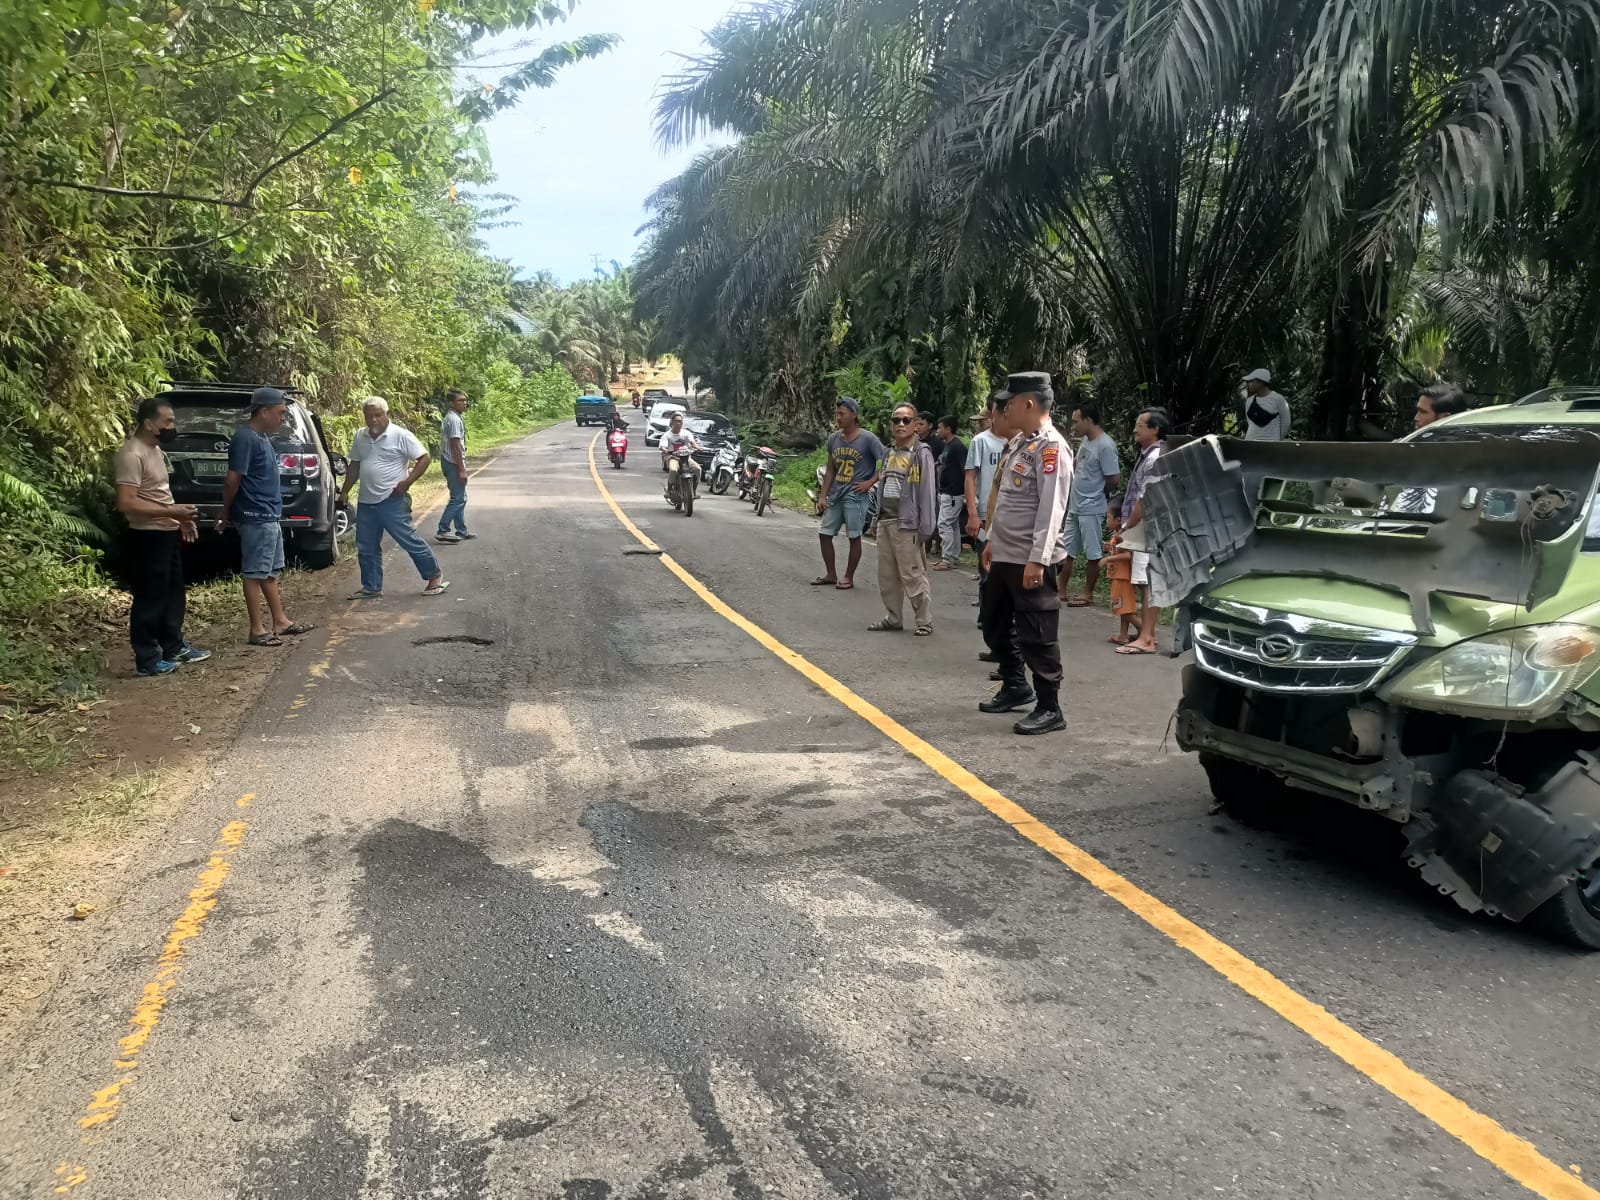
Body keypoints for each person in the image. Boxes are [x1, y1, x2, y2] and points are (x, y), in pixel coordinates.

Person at [979, 372, 1072, 735]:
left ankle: (1050, 707)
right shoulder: (1020, 442)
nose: (1005, 409)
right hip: (1005, 555)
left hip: (1029, 560)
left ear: (1029, 404)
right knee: (995, 623)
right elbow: (1006, 499)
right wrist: (991, 541)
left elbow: (1051, 509)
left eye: (1010, 403)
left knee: (1037, 634)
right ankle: (1015, 684)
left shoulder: (1051, 448)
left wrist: (1038, 559)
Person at [114, 397, 209, 676]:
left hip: (166, 533)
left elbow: (158, 494)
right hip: (147, 536)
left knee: (172, 594)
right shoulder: (132, 454)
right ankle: (147, 658)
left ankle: (173, 646)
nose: (172, 426)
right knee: (150, 597)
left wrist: (181, 520)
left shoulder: (155, 450)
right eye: (167, 421)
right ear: (149, 423)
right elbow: (126, 502)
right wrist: (172, 512)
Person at [218, 387, 314, 646]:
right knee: (254, 572)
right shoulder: (245, 438)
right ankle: (257, 629)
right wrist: (225, 512)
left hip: (268, 514)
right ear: (263, 411)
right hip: (256, 515)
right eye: (280, 413)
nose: (282, 418)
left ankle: (280, 621)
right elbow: (232, 480)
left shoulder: (260, 438)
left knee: (269, 571)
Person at [340, 397, 448, 600]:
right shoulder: (360, 436)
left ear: (386, 414)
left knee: (408, 540)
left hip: (392, 500)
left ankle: (434, 577)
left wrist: (407, 483)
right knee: (366, 546)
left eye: (378, 415)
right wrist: (345, 490)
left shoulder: (400, 435)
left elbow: (424, 458)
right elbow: (355, 465)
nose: (373, 420)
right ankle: (371, 586)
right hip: (366, 501)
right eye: (369, 416)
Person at [869, 403, 939, 634]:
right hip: (886, 521)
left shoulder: (921, 453)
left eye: (906, 420)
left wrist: (926, 528)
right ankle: (893, 617)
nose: (900, 424)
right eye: (896, 420)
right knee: (887, 575)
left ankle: (924, 621)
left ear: (916, 425)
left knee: (912, 574)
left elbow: (927, 492)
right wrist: (875, 519)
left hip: (907, 525)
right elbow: (882, 486)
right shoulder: (888, 452)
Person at [1111, 408, 1170, 656]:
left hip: (1148, 529)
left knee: (1148, 582)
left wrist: (1126, 528)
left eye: (1140, 425)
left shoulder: (1155, 457)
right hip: (1146, 528)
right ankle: (1146, 634)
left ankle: (1147, 638)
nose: (1135, 429)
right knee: (1145, 581)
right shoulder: (1149, 455)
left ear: (1155, 430)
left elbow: (1144, 501)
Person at [812, 398, 884, 590]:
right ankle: (831, 573)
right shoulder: (834, 439)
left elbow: (887, 462)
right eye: (837, 414)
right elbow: (830, 469)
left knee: (854, 536)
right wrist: (823, 495)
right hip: (836, 494)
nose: (838, 417)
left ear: (854, 415)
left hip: (856, 495)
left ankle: (848, 577)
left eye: (842, 414)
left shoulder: (868, 439)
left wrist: (870, 482)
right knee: (824, 534)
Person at [1058, 400, 1121, 606]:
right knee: (1067, 549)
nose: (1073, 426)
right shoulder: (1086, 441)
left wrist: (1097, 493)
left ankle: (1088, 593)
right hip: (1075, 505)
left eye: (1076, 421)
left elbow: (1114, 478)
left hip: (1092, 507)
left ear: (1088, 420)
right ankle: (1061, 589)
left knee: (1092, 552)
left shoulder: (1105, 445)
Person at [965, 394, 1010, 612]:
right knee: (986, 567)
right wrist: (973, 513)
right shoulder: (980, 441)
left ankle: (1002, 616)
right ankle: (987, 615)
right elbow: (970, 477)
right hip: (986, 515)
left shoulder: (1017, 441)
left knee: (1007, 569)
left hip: (1010, 515)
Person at [436, 389, 474, 544]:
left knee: (461, 497)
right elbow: (455, 444)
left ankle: (461, 530)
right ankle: (443, 529)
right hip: (452, 462)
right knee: (458, 498)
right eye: (460, 400)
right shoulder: (453, 419)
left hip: (450, 461)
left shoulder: (454, 417)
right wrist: (461, 469)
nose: (464, 403)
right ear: (451, 403)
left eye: (465, 400)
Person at [932, 415, 967, 571]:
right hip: (946, 492)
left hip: (953, 493)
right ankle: (953, 556)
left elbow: (966, 470)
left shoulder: (957, 447)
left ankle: (947, 559)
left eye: (940, 428)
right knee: (952, 525)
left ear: (948, 429)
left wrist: (965, 493)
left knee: (944, 524)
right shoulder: (948, 445)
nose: (938, 431)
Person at [660, 411, 703, 499]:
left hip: (686, 457)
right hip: (673, 457)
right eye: (676, 421)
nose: (678, 423)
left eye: (680, 421)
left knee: (697, 469)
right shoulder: (667, 435)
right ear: (672, 422)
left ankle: (693, 490)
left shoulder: (686, 433)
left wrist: (697, 447)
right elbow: (662, 446)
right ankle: (669, 489)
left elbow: (692, 443)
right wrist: (665, 450)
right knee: (673, 470)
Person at [1242, 368, 1290, 441]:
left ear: (1260, 382)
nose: (1248, 384)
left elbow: (1286, 424)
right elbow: (1250, 422)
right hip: (1250, 443)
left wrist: (1276, 441)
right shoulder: (1249, 401)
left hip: (1270, 444)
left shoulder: (1278, 399)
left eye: (1251, 381)